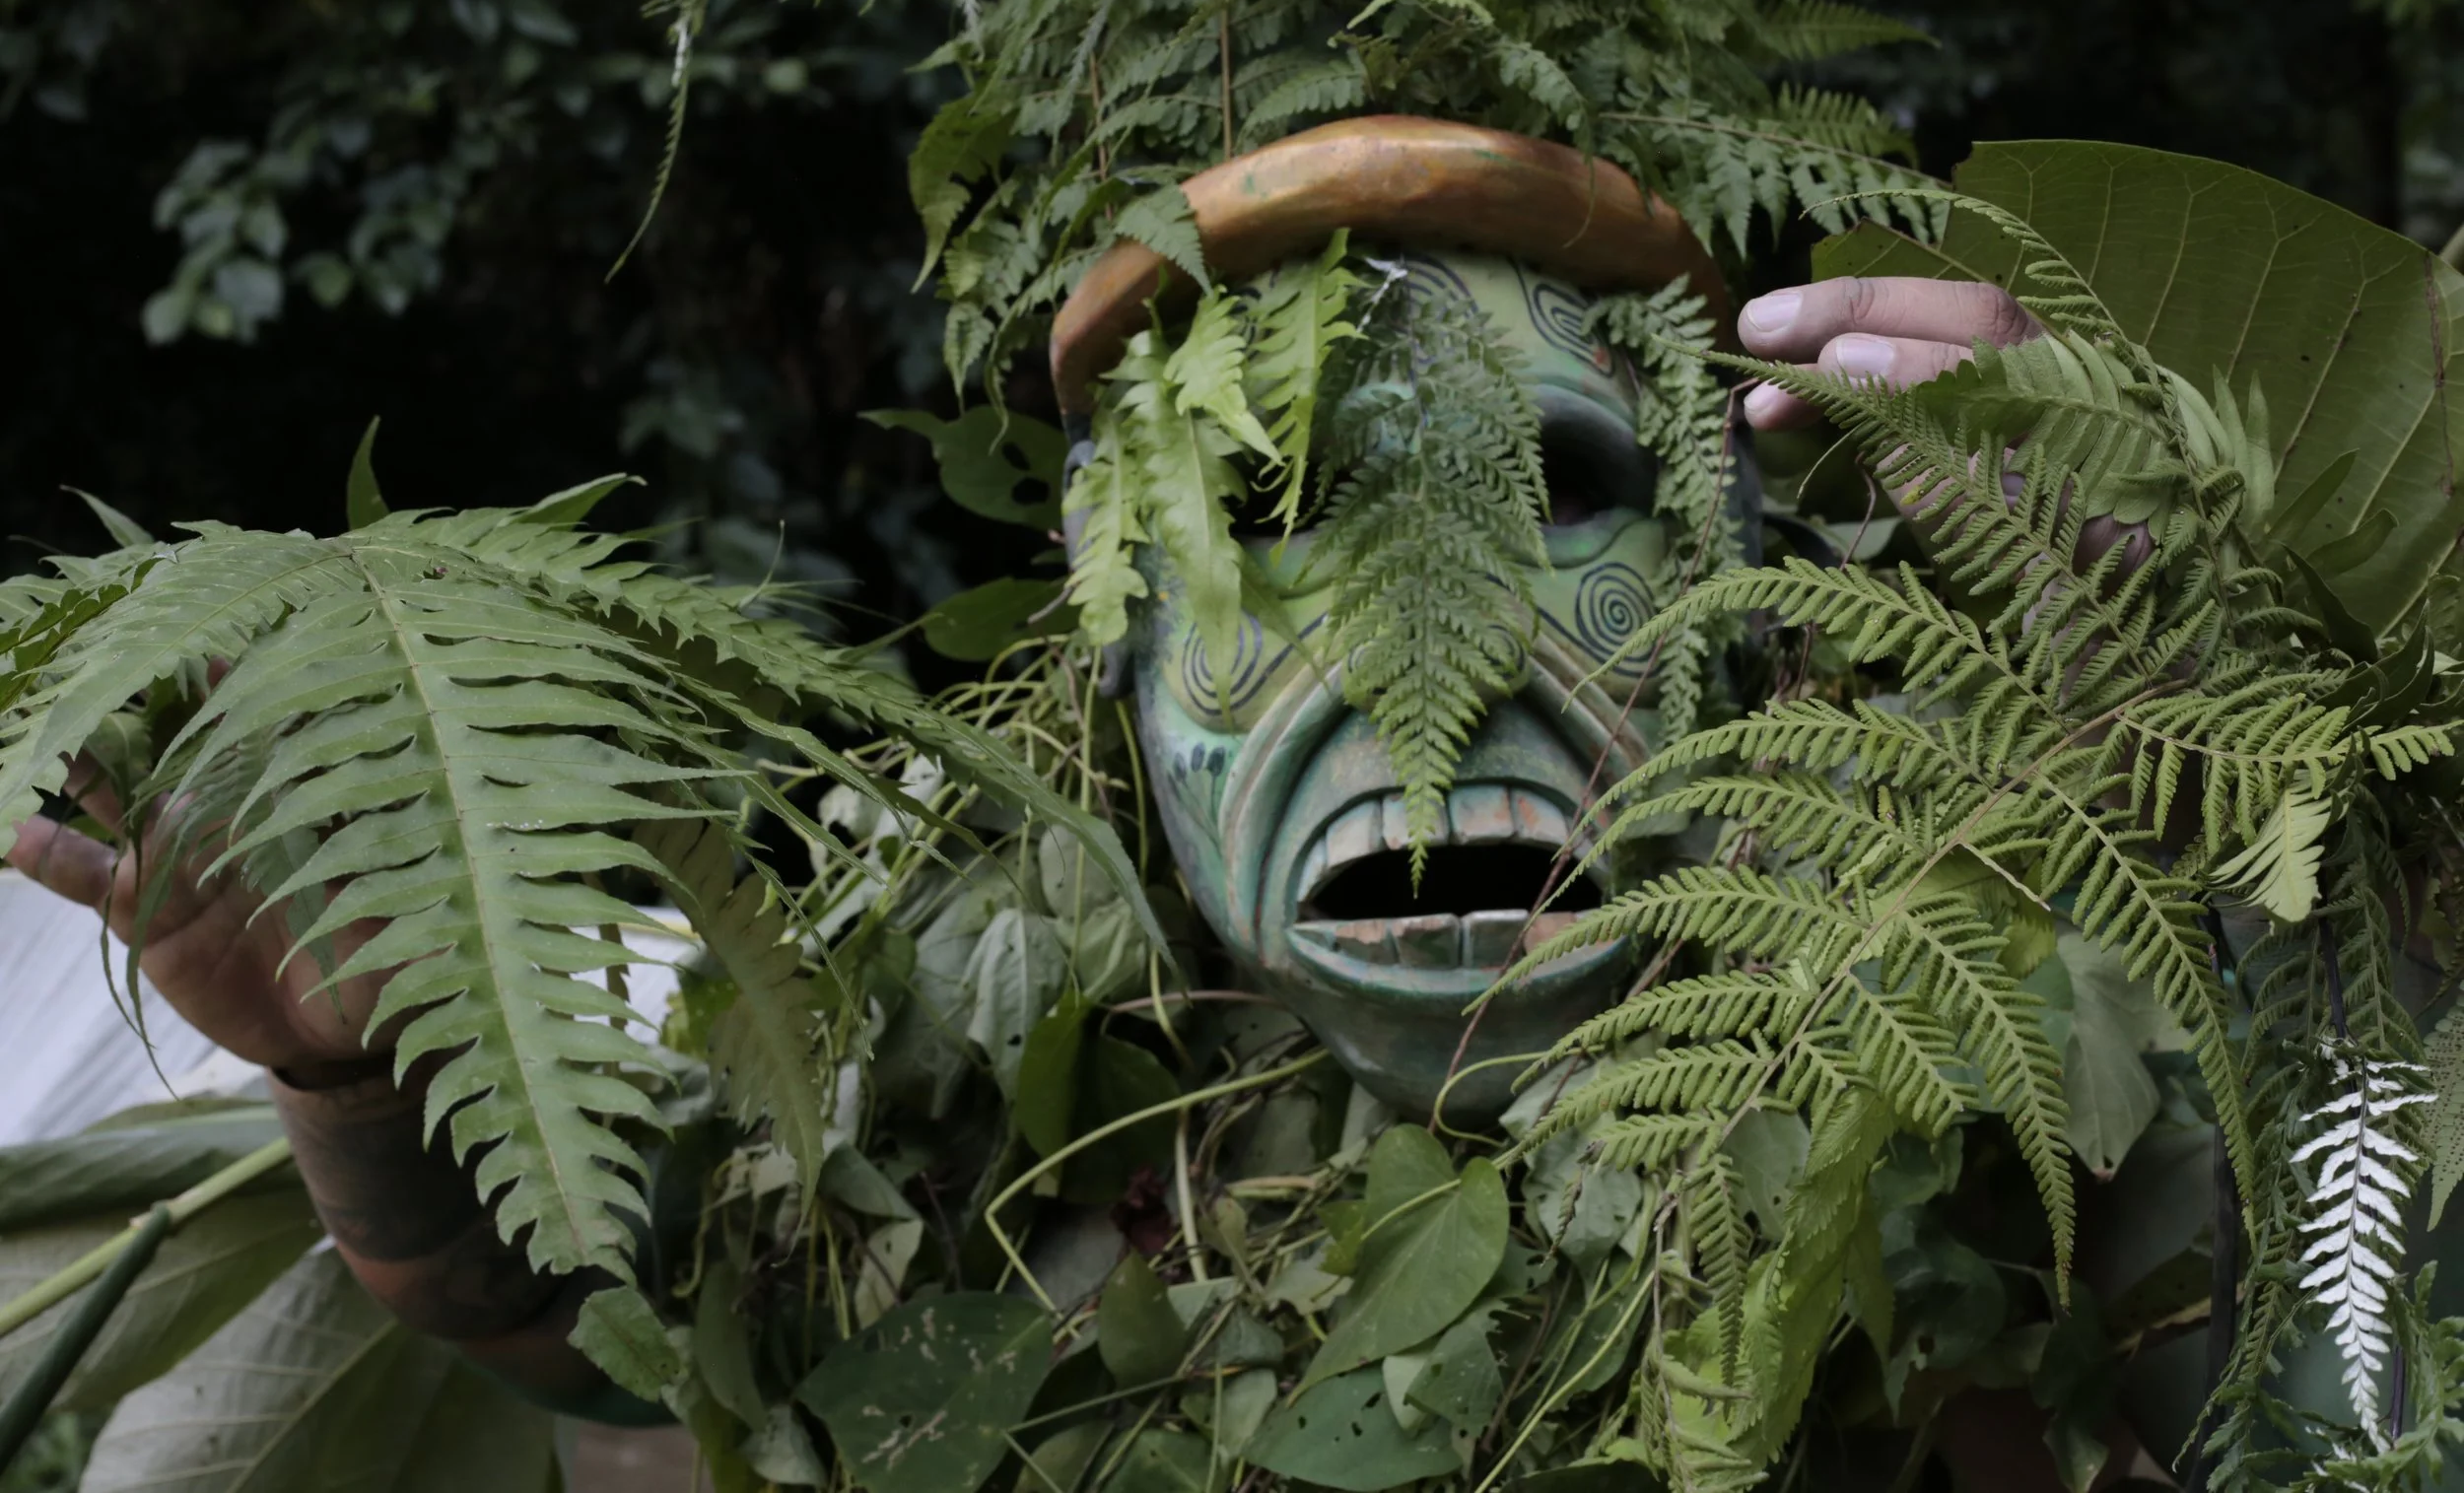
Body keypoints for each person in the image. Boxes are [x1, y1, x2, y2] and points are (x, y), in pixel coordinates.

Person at [0, 275, 2043, 1413]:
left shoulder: (1994, 1090)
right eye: (1262, 517)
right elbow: (641, 1335)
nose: (1440, 642)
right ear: (1107, 680)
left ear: (1766, 609)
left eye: (1556, 493)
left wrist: (2165, 603)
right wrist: (356, 1072)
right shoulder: (1014, 1172)